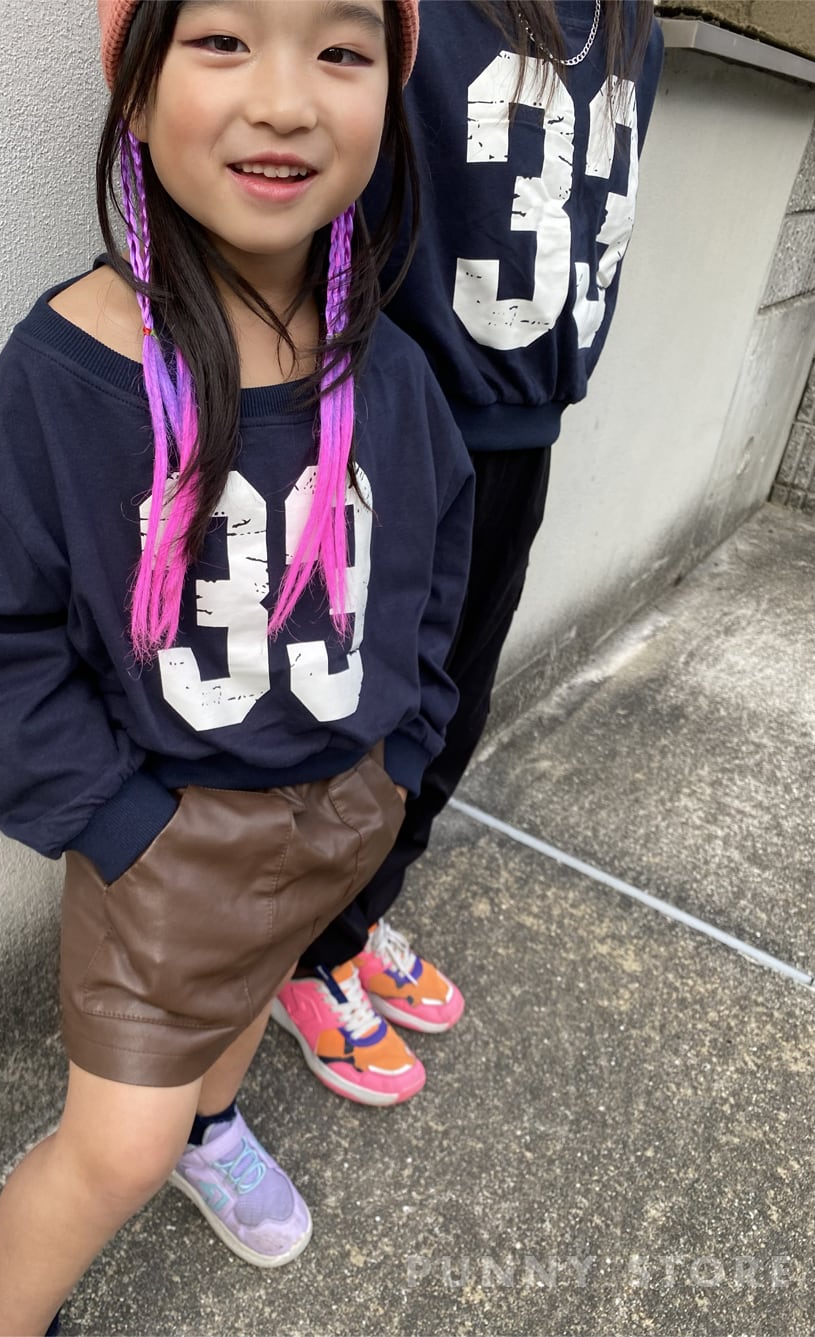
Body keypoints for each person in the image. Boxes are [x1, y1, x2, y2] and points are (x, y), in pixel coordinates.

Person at [0, 2, 476, 1333]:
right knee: (115, 1149)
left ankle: (214, 1126)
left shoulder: (388, 368)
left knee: (251, 991)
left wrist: (400, 751)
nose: (284, 99)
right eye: (223, 40)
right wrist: (122, 824)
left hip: (339, 808)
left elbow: (434, 569)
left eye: (340, 51)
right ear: (137, 80)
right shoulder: (66, 375)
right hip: (166, 850)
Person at [273, 0, 665, 1105]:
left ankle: (356, 916)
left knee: (451, 713)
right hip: (385, 420)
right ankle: (306, 953)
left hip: (521, 430)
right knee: (353, 716)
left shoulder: (634, 30)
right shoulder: (424, 15)